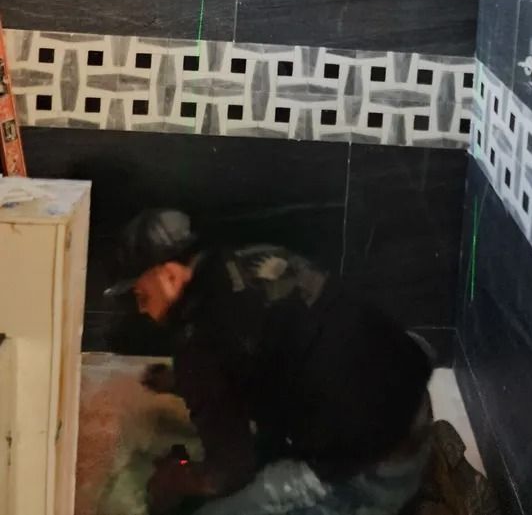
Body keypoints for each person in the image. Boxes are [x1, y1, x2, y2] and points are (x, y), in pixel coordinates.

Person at [105, 210, 434, 515]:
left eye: (142, 295)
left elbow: (229, 471)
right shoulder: (258, 257)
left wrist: (175, 481)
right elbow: (266, 347)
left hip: (378, 472)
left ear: (171, 276)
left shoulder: (199, 347)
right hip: (413, 406)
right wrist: (183, 382)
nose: (142, 310)